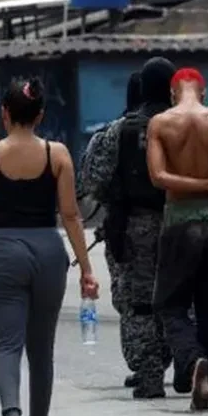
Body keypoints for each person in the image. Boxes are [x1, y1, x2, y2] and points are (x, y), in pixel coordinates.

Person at [0, 79, 99, 416]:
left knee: (7, 345)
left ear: (4, 114)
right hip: (49, 251)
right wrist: (86, 269)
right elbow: (70, 215)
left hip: (4, 250)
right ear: (40, 116)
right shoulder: (57, 154)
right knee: (41, 350)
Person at [147, 68, 208, 412]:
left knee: (168, 304)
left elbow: (158, 177)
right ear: (203, 91)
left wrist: (195, 184)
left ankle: (192, 363)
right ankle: (205, 378)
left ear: (174, 92)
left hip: (178, 222)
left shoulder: (160, 123)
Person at [81, 57, 176, 399]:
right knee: (180, 298)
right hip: (183, 221)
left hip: (135, 226)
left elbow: (92, 179)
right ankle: (183, 363)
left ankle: (149, 373)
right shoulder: (190, 125)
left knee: (139, 302)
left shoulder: (119, 130)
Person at [82, 71, 144, 389]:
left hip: (124, 224)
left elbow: (92, 180)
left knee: (129, 297)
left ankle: (144, 363)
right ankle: (177, 357)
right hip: (175, 222)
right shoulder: (179, 124)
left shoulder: (113, 132)